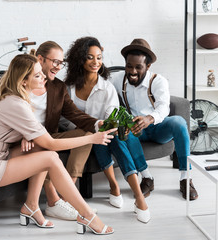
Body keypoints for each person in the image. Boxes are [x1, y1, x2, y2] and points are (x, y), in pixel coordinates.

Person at [0, 54, 115, 234]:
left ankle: (31, 206)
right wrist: (92, 138)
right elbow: (51, 143)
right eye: (37, 75)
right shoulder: (15, 103)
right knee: (50, 157)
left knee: (40, 147)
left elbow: (23, 131)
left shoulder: (15, 97)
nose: (43, 76)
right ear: (23, 82)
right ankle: (87, 215)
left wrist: (26, 135)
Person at [64, 36, 150, 223]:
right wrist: (87, 129)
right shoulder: (69, 88)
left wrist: (106, 127)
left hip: (105, 132)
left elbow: (111, 116)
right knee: (96, 138)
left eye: (99, 57)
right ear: (80, 59)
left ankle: (138, 196)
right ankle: (114, 186)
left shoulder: (107, 87)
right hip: (83, 135)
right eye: (90, 57)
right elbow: (65, 119)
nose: (96, 62)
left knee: (115, 138)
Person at [110, 38, 199, 201]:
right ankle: (147, 178)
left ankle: (185, 178)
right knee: (124, 129)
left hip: (157, 127)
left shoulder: (158, 81)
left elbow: (164, 107)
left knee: (179, 122)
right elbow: (102, 88)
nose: (133, 71)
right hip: (136, 130)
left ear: (148, 66)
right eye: (129, 66)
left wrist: (149, 119)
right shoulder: (118, 79)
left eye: (138, 67)